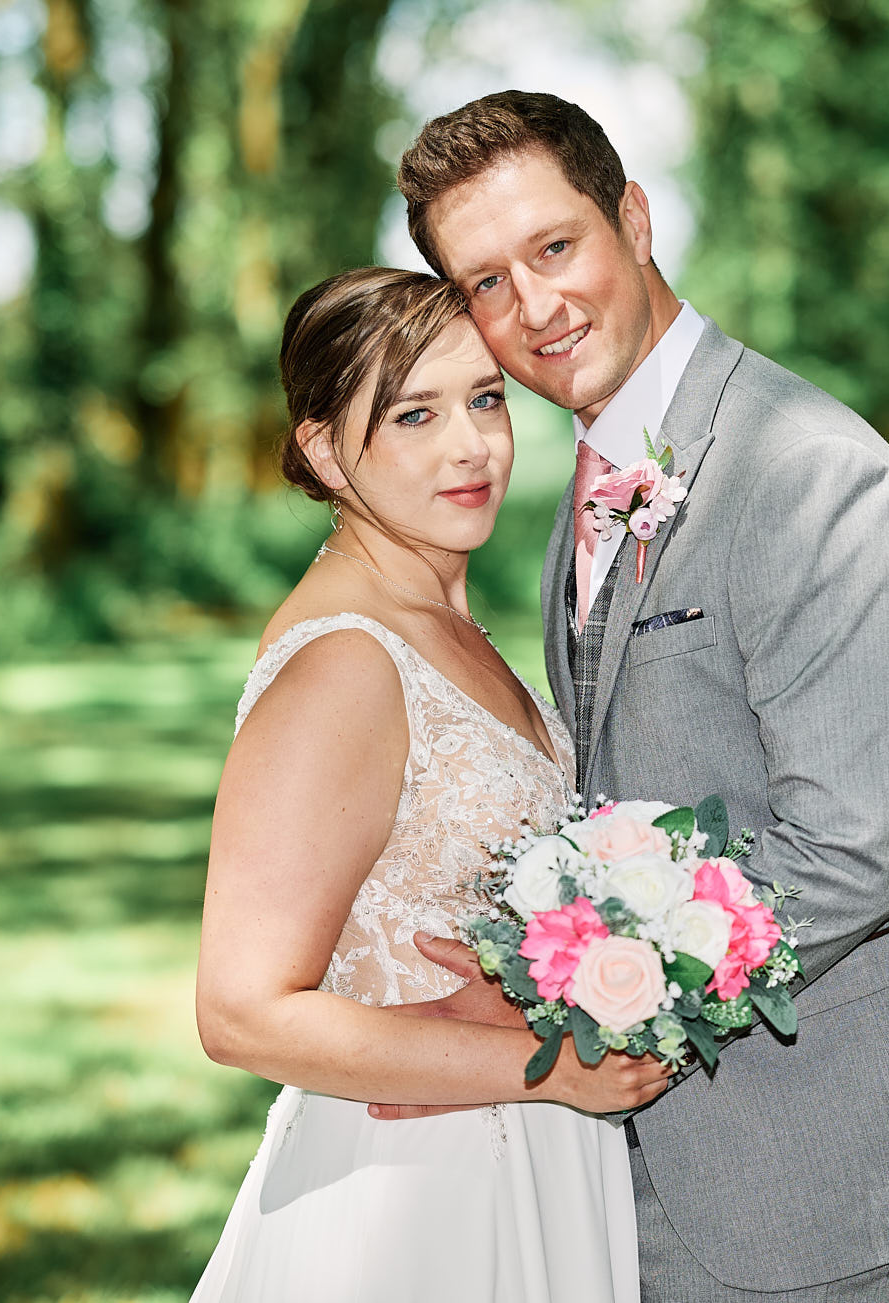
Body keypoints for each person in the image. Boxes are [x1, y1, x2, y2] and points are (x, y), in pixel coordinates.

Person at [368, 91, 889, 1303]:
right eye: (483, 282)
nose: (532, 308)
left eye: (553, 246)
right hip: (651, 1140)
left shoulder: (811, 476)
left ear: (631, 219)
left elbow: (847, 851)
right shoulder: (592, 467)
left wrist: (552, 989)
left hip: (802, 1158)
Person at [190, 266, 664, 1303]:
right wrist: (547, 1067)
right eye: (414, 413)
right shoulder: (344, 665)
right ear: (323, 449)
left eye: (484, 398)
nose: (472, 445)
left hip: (532, 1167)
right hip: (415, 1205)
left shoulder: (447, 621)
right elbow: (241, 1011)